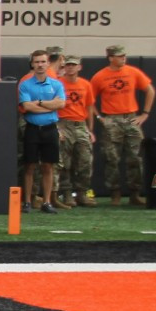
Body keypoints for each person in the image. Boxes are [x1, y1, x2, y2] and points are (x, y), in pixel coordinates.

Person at [89, 43, 155, 206]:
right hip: (111, 119)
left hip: (131, 118)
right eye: (119, 56)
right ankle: (115, 193)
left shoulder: (133, 72)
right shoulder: (100, 76)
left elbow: (150, 90)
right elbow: (89, 101)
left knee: (135, 157)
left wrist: (145, 114)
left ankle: (135, 193)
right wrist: (99, 118)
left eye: (124, 55)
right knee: (112, 158)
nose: (123, 58)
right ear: (110, 58)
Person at [20, 51, 66, 215]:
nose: (40, 65)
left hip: (50, 129)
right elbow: (27, 106)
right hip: (32, 128)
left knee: (48, 166)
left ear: (48, 64)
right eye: (37, 62)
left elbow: (60, 104)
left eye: (43, 61)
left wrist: (39, 103)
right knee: (30, 166)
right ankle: (27, 201)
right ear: (32, 64)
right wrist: (49, 105)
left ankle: (46, 202)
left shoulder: (56, 84)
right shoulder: (26, 84)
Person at [57, 56, 96, 208]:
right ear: (64, 67)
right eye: (68, 65)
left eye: (74, 65)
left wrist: (90, 129)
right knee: (65, 161)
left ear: (79, 67)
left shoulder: (86, 84)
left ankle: (82, 193)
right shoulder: (58, 83)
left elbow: (89, 107)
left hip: (80, 125)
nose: (70, 68)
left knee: (85, 160)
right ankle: (67, 193)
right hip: (64, 123)